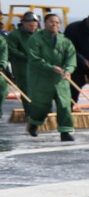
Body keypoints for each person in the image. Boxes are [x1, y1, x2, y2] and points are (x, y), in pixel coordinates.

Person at [23, 14, 78, 142]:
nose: (55, 25)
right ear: (45, 23)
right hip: (41, 77)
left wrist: (69, 70)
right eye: (51, 22)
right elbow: (34, 58)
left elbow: (71, 58)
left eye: (57, 23)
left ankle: (65, 131)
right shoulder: (36, 39)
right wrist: (51, 67)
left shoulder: (65, 41)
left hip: (60, 78)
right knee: (41, 105)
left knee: (64, 105)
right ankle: (34, 124)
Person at [6, 11, 40, 102]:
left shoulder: (41, 34)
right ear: (23, 22)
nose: (32, 25)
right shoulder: (14, 35)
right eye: (29, 23)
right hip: (22, 68)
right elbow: (11, 50)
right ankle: (30, 113)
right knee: (27, 93)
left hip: (40, 68)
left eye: (35, 23)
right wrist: (27, 57)